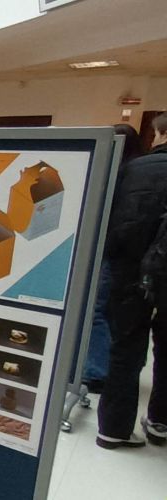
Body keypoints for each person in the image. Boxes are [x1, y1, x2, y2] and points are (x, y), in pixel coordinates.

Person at [96, 113, 167, 449]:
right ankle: (160, 421)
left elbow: (114, 220)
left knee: (124, 348)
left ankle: (113, 428)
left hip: (129, 273)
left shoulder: (136, 169)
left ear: (159, 133)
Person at [82, 123, 146, 393]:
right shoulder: (136, 171)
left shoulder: (122, 175)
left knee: (97, 311)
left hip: (112, 252)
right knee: (107, 311)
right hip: (131, 257)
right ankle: (101, 367)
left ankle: (96, 372)